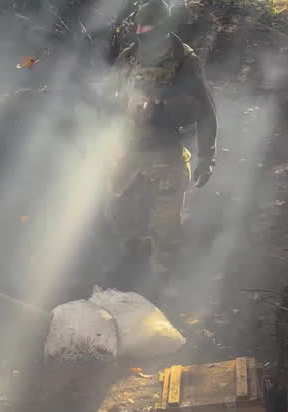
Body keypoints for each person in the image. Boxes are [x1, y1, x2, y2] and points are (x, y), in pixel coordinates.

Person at [105, 0, 217, 301]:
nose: (143, 35)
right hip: (130, 151)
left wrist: (208, 156)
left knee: (166, 227)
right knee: (120, 214)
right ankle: (131, 267)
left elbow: (206, 110)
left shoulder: (184, 60)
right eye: (139, 29)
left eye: (149, 30)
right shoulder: (129, 58)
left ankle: (161, 289)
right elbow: (107, 98)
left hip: (166, 152)